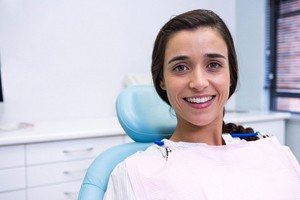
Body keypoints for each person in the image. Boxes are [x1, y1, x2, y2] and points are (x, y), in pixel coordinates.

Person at [104, 9, 300, 200]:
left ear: (230, 74)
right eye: (180, 67)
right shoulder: (134, 174)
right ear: (161, 79)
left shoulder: (272, 153)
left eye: (213, 65)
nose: (198, 82)